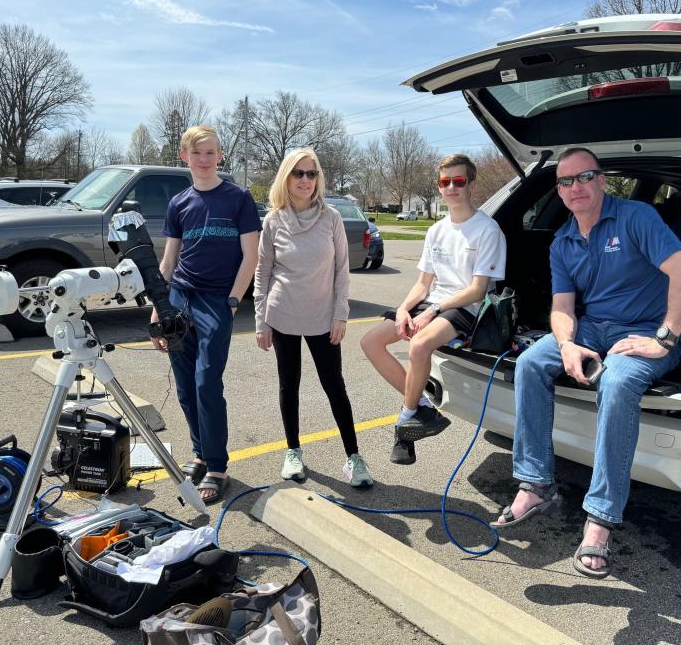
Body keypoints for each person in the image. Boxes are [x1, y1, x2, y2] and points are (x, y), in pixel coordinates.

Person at [494, 147, 681, 579]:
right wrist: (568, 345)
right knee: (532, 362)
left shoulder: (636, 218)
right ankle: (535, 485)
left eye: (583, 177)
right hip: (592, 328)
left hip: (647, 329)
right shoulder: (562, 241)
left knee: (618, 383)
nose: (574, 188)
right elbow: (562, 307)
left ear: (602, 180)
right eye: (565, 182)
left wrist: (664, 339)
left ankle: (600, 519)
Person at [360, 153, 506, 465]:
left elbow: (478, 289)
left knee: (420, 343)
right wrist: (403, 309)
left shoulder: (488, 230)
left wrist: (432, 311)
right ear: (438, 187)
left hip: (467, 308)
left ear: (471, 184)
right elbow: (423, 284)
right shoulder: (436, 230)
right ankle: (421, 407)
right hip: (434, 302)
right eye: (444, 182)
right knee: (370, 341)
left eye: (458, 181)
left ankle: (403, 425)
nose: (451, 187)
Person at [151, 125, 260, 505]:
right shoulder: (179, 203)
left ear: (219, 156)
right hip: (180, 297)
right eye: (196, 153)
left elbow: (251, 256)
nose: (203, 159)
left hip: (217, 301)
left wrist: (233, 300)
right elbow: (168, 261)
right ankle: (199, 453)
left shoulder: (238, 199)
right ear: (185, 156)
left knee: (206, 381)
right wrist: (158, 309)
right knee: (184, 385)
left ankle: (216, 466)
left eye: (210, 152)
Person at [254, 148, 373, 488]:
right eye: (298, 173)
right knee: (288, 386)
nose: (305, 180)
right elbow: (262, 272)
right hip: (283, 316)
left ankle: (354, 458)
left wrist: (341, 314)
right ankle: (293, 451)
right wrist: (262, 319)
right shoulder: (273, 220)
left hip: (323, 320)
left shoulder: (331, 218)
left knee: (335, 386)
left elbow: (341, 271)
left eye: (311, 174)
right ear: (286, 178)